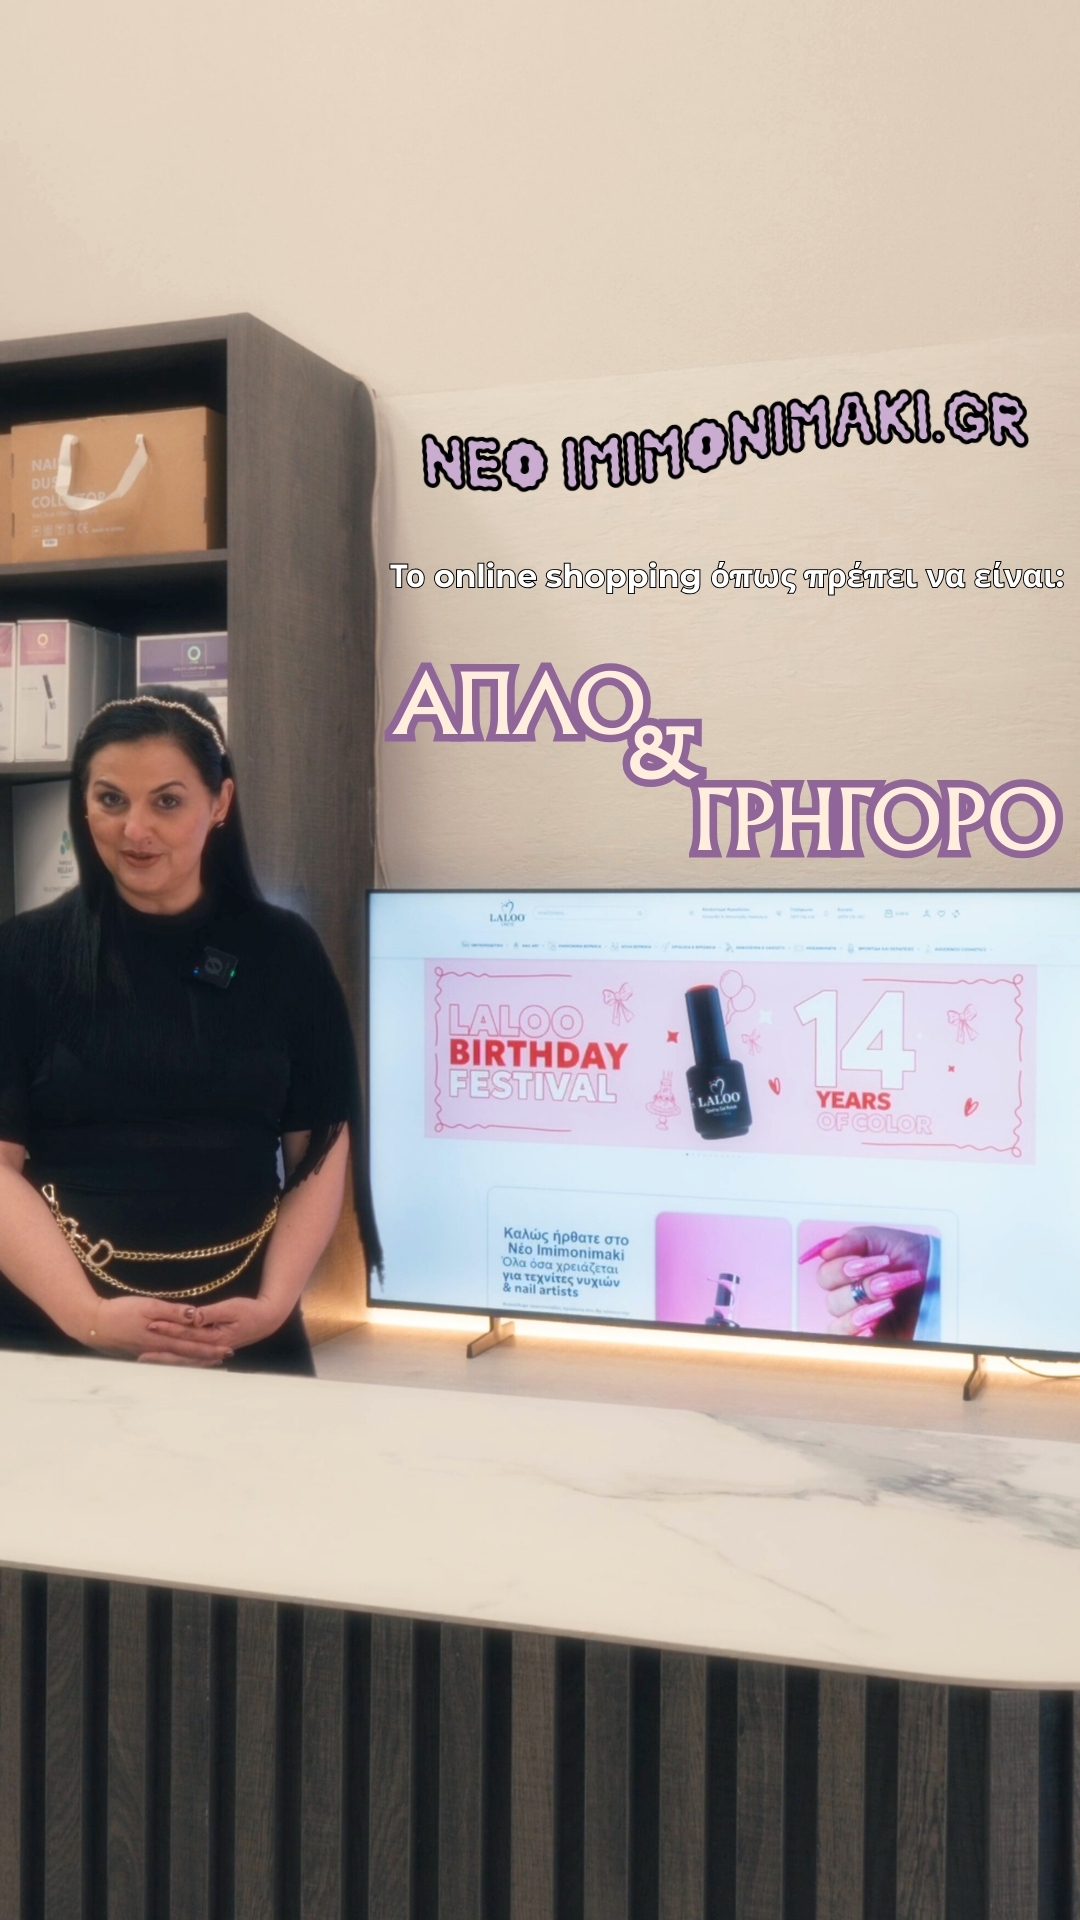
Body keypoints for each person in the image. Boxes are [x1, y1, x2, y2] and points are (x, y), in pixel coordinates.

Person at [0, 686, 381, 1374]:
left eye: (167, 802)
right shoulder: (24, 955)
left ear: (220, 802)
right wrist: (88, 1317)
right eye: (111, 799)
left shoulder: (285, 952)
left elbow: (321, 1151)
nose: (134, 830)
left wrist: (272, 1305)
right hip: (56, 1331)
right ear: (83, 805)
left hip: (243, 1325)